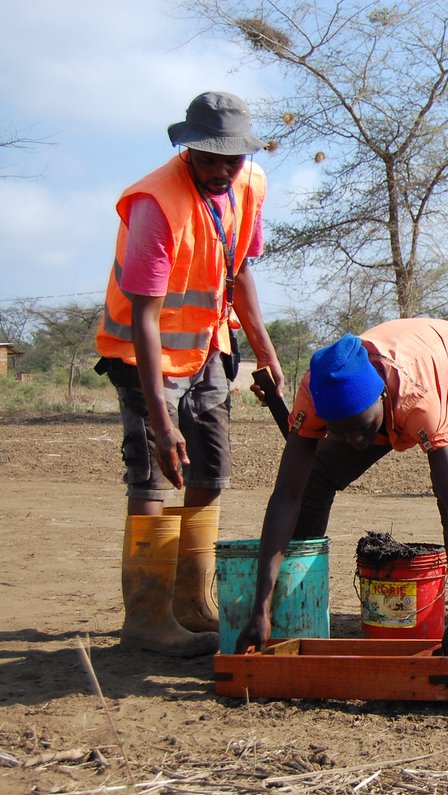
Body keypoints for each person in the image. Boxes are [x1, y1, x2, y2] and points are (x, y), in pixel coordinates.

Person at [94, 91, 282, 657]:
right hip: (145, 359)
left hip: (209, 347)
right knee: (157, 476)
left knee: (211, 470)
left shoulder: (251, 184)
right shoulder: (156, 204)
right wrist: (160, 416)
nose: (223, 169)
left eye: (234, 158)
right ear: (188, 150)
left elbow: (241, 270)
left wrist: (263, 351)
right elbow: (144, 318)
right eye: (210, 158)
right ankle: (147, 618)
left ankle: (189, 604)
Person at [235, 320, 448, 665]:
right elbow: (287, 494)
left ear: (381, 395)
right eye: (340, 431)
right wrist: (261, 607)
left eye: (362, 429)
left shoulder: (417, 397)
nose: (354, 442)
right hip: (395, 391)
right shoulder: (315, 391)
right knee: (316, 478)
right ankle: (292, 598)